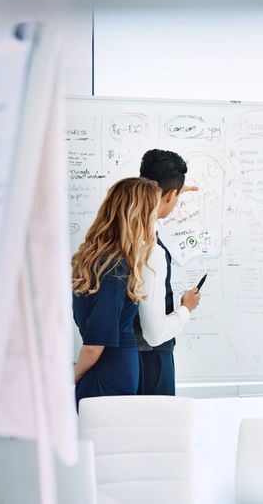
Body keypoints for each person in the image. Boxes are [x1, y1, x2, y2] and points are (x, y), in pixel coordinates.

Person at [72, 177, 161, 410]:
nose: (154, 222)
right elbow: (94, 345)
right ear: (138, 217)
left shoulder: (102, 262)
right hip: (109, 378)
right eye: (152, 214)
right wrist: (73, 376)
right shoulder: (115, 268)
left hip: (108, 374)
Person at [135, 149, 201, 396]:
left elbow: (154, 216)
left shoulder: (130, 229)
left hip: (131, 358)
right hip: (151, 361)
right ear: (171, 194)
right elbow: (154, 334)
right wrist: (186, 309)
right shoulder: (151, 249)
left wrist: (173, 194)